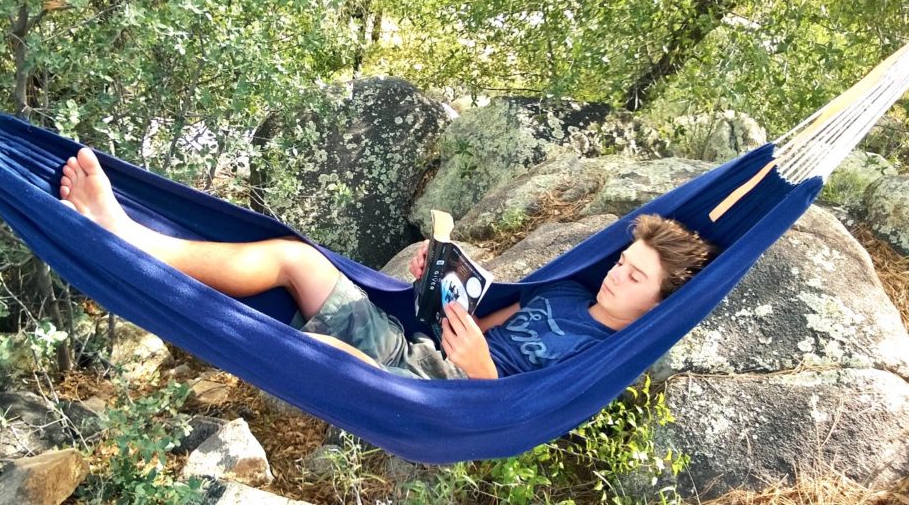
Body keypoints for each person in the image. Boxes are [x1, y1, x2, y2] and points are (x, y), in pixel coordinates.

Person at [58, 147, 715, 380]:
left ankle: (125, 242)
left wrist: (479, 373)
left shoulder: (607, 356)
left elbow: (516, 405)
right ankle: (127, 235)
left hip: (447, 399)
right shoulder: (570, 294)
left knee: (343, 370)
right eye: (622, 260)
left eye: (632, 276)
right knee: (296, 258)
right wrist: (441, 282)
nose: (614, 272)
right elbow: (487, 317)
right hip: (416, 349)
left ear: (657, 307)